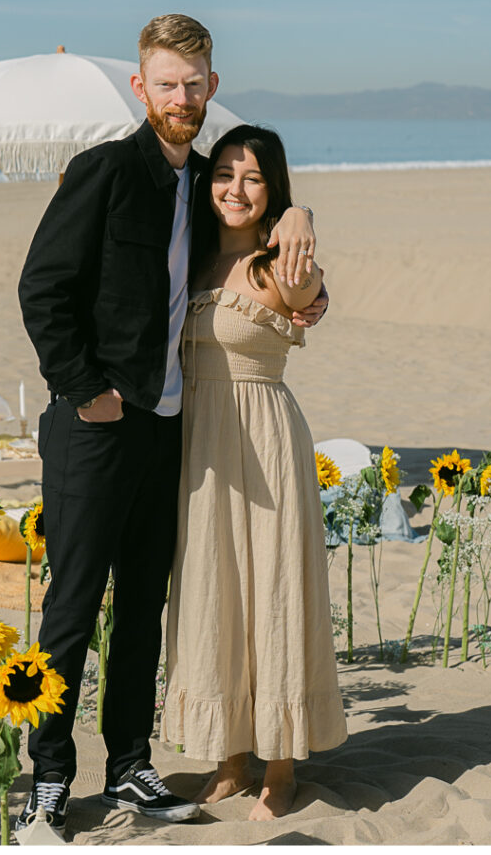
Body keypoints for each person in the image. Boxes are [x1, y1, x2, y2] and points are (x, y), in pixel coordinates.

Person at [17, 14, 327, 835]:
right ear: (140, 88)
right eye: (165, 84)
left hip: (166, 433)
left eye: (193, 85)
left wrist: (298, 219)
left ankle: (128, 768)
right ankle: (49, 774)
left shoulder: (195, 183)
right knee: (73, 609)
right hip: (93, 427)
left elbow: (255, 224)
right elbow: (42, 289)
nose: (181, 98)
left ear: (210, 88)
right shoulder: (105, 172)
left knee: (147, 607)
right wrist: (83, 389)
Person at [162, 123, 348, 821]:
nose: (234, 189)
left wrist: (301, 219)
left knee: (274, 592)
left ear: (272, 190)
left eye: (252, 178)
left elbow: (313, 291)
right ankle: (228, 760)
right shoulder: (189, 256)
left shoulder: (282, 263)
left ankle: (278, 766)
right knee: (214, 593)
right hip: (200, 447)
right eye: (223, 175)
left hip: (264, 440)